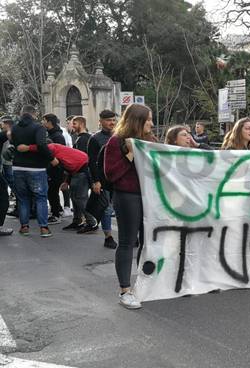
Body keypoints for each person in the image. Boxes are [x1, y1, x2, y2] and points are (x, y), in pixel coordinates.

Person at [104, 103, 155, 309]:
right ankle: (125, 290)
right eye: (148, 119)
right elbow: (111, 174)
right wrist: (130, 154)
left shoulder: (150, 141)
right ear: (137, 121)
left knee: (147, 242)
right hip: (127, 197)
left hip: (148, 197)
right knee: (127, 242)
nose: (152, 123)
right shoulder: (115, 142)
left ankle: (144, 285)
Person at [11, 106, 58, 237]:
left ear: (21, 114)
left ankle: (24, 227)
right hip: (36, 168)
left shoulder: (14, 128)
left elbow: (15, 145)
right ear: (34, 114)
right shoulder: (38, 128)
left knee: (23, 198)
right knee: (41, 197)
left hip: (18, 167)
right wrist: (52, 158)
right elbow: (42, 145)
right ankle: (43, 228)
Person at [87, 110, 117, 249]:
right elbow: (92, 162)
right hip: (103, 181)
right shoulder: (94, 139)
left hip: (118, 179)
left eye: (113, 120)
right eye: (108, 120)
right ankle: (108, 237)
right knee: (106, 209)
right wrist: (96, 181)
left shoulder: (118, 136)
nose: (112, 122)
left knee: (121, 209)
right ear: (101, 121)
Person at [64, 116, 98, 233]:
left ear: (82, 124)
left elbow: (85, 160)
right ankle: (77, 220)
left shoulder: (84, 139)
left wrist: (91, 179)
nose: (72, 125)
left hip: (82, 173)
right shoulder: (79, 138)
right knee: (75, 198)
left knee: (80, 199)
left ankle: (91, 222)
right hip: (77, 173)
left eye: (74, 123)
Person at [42, 113, 66, 224]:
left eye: (44, 120)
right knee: (51, 192)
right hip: (51, 168)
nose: (42, 123)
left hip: (56, 169)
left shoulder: (57, 136)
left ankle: (56, 214)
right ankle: (58, 210)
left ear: (49, 122)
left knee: (52, 192)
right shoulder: (51, 134)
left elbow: (59, 154)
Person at [1, 116, 16, 219]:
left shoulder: (5, 134)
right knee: (3, 194)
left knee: (9, 184)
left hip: (6, 163)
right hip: (4, 163)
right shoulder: (4, 134)